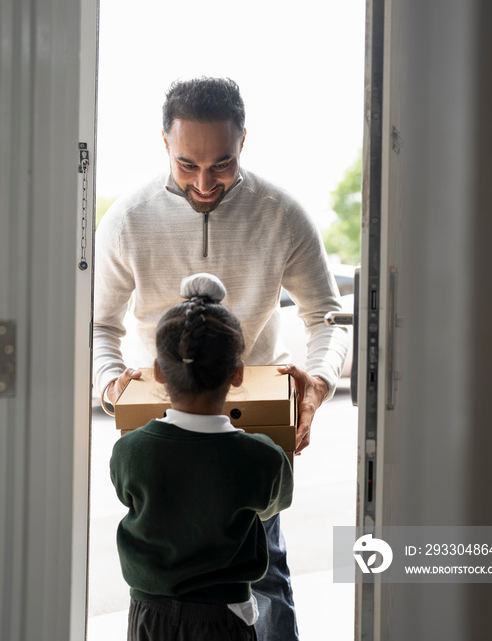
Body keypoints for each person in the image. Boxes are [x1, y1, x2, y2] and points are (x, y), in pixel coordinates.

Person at [94, 76, 348, 640]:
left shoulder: (281, 213)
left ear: (244, 141)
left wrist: (320, 383)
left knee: (268, 576)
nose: (204, 182)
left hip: (250, 425)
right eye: (188, 164)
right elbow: (99, 327)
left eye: (222, 164)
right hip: (160, 424)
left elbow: (326, 318)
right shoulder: (127, 219)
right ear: (164, 142)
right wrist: (113, 384)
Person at [110, 273, 294, 641]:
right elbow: (273, 506)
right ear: (238, 374)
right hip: (223, 618)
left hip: (149, 615)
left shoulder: (130, 452)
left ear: (159, 372)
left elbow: (129, 496)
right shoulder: (262, 458)